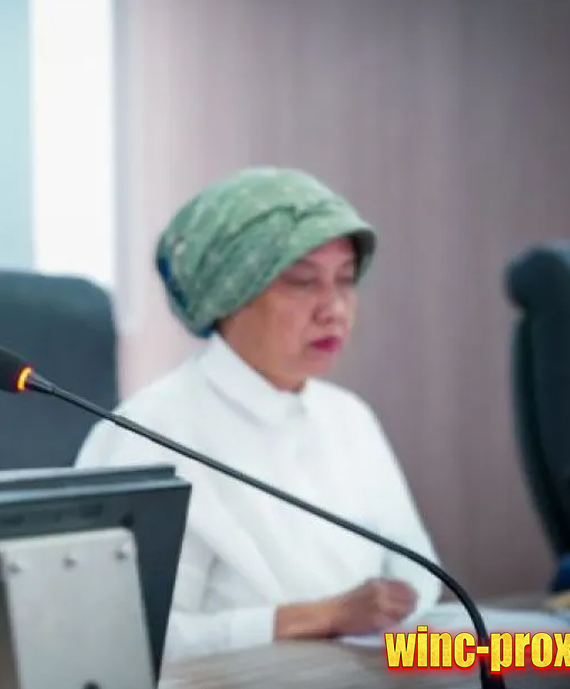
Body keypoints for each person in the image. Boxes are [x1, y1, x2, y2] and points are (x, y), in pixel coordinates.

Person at [75, 166, 441, 660]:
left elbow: (417, 577)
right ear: (229, 294)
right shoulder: (148, 434)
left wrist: (397, 609)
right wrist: (313, 618)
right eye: (303, 282)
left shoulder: (349, 416)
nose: (334, 309)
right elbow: (116, 639)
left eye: (345, 280)